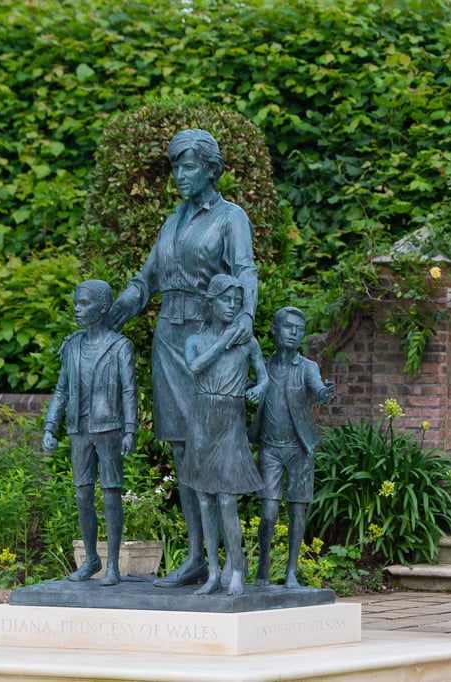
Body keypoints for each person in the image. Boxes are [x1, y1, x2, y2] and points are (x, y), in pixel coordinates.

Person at [107, 128, 259, 588]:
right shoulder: (171, 222)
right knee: (180, 446)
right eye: (175, 167)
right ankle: (197, 557)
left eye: (188, 166)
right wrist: (118, 309)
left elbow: (245, 269)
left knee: (208, 446)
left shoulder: (231, 218)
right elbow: (147, 277)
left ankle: (227, 563)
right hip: (168, 338)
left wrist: (246, 314)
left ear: (211, 169)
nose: (179, 175)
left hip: (206, 338)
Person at [42, 280, 138, 587]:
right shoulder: (71, 346)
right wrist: (49, 426)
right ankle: (91, 560)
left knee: (111, 495)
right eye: (76, 304)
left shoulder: (119, 346)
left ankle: (112, 565)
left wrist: (131, 430)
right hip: (79, 428)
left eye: (84, 304)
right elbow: (60, 391)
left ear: (103, 307)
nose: (77, 309)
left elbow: (129, 390)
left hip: (108, 427)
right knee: (83, 495)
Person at [184, 274, 268, 596]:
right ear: (212, 302)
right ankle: (213, 572)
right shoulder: (195, 339)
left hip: (230, 418)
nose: (232, 306)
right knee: (204, 499)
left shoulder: (248, 341)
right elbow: (195, 367)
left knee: (227, 499)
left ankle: (236, 567)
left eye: (237, 301)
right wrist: (223, 341)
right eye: (226, 300)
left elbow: (263, 376)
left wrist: (260, 388)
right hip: (202, 417)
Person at [250, 306, 335, 588]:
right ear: (275, 330)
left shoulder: (308, 368)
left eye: (299, 329)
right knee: (269, 513)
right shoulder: (263, 367)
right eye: (288, 327)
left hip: (300, 449)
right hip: (270, 449)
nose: (294, 333)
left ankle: (291, 572)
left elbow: (319, 391)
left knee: (298, 511)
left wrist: (324, 393)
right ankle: (263, 566)